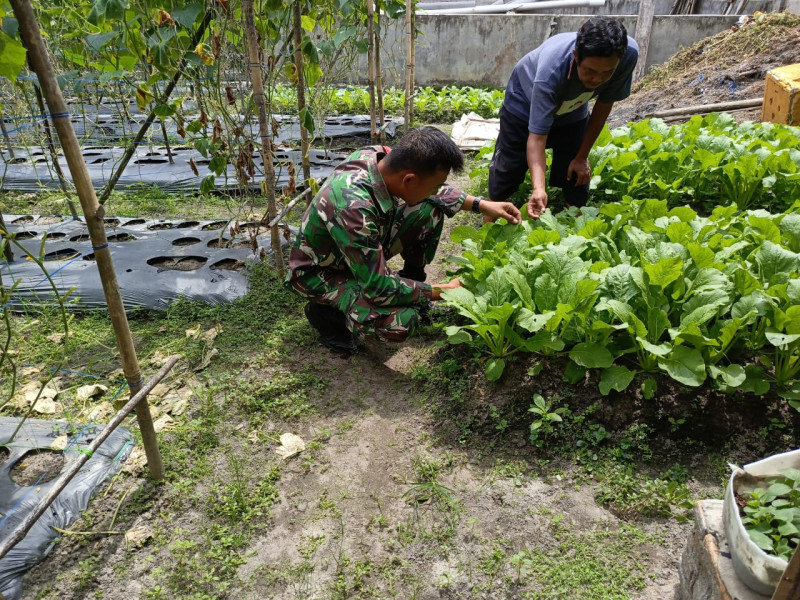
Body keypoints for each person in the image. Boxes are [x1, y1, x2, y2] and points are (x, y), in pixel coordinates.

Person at [286, 126, 521, 355]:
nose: (436, 190)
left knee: (429, 208)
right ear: (408, 180)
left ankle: (410, 285)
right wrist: (444, 291)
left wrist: (482, 204)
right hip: (321, 273)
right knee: (401, 322)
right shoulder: (353, 206)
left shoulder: (381, 158)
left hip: (358, 249)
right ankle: (327, 315)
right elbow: (378, 288)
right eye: (434, 186)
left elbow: (433, 188)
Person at [489, 16, 639, 219]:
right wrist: (539, 189)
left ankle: (576, 221)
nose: (597, 79)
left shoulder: (627, 55)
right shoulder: (550, 73)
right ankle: (491, 217)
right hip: (523, 103)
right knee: (510, 167)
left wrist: (582, 157)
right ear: (576, 56)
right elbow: (537, 138)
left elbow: (604, 105)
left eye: (606, 73)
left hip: (573, 107)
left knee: (576, 173)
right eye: (590, 71)